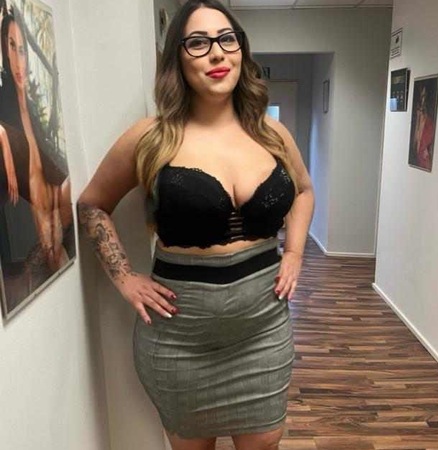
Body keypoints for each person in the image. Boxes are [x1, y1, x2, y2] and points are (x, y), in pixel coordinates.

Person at [77, 0, 314, 449]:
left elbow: (303, 190)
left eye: (227, 39)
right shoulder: (151, 138)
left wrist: (296, 253)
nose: (217, 53)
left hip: (263, 331)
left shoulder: (271, 134)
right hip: (179, 342)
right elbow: (92, 205)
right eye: (198, 43)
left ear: (241, 50)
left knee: (265, 441)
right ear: (177, 58)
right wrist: (124, 278)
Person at [0, 6, 72, 275]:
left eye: (22, 49)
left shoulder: (31, 108)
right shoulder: (4, 102)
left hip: (55, 226)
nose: (18, 59)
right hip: (26, 239)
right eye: (11, 46)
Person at [411, 84, 435, 171]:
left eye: (424, 96)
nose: (422, 101)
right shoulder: (415, 120)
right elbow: (415, 143)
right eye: (420, 97)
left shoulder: (429, 124)